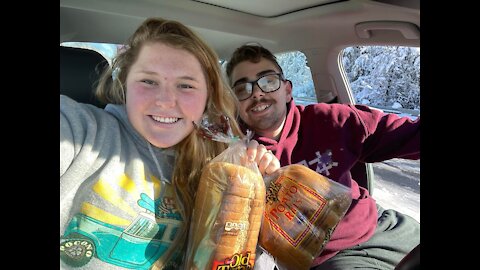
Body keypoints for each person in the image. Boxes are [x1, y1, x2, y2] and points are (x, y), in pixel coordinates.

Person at [60, 18, 279, 270]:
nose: (165, 100)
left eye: (186, 85)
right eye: (149, 81)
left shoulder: (218, 168)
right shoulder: (82, 132)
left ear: (207, 97)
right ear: (124, 85)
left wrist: (257, 198)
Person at [225, 44, 420, 270]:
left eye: (268, 81)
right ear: (233, 102)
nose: (257, 93)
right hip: (328, 259)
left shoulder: (332, 121)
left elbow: (407, 135)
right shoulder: (234, 156)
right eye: (242, 89)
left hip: (383, 225)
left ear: (287, 90)